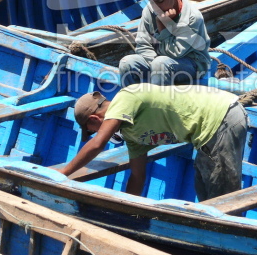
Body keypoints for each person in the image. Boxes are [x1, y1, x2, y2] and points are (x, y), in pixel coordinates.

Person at [60, 84, 247, 200]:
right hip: (208, 134)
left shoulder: (126, 97)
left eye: (91, 131)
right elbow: (137, 176)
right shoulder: (132, 136)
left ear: (94, 119)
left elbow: (97, 144)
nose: (95, 133)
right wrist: (127, 209)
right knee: (205, 191)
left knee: (221, 196)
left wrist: (63, 173)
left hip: (221, 116)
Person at [118, 0, 210, 87]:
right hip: (158, 62)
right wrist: (154, 66)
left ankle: (157, 104)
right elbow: (142, 46)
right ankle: (132, 102)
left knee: (160, 64)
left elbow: (176, 53)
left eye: (160, 1)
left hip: (192, 63)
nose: (156, 7)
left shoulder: (192, 18)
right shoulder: (149, 11)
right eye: (151, 2)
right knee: (127, 63)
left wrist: (163, 27)